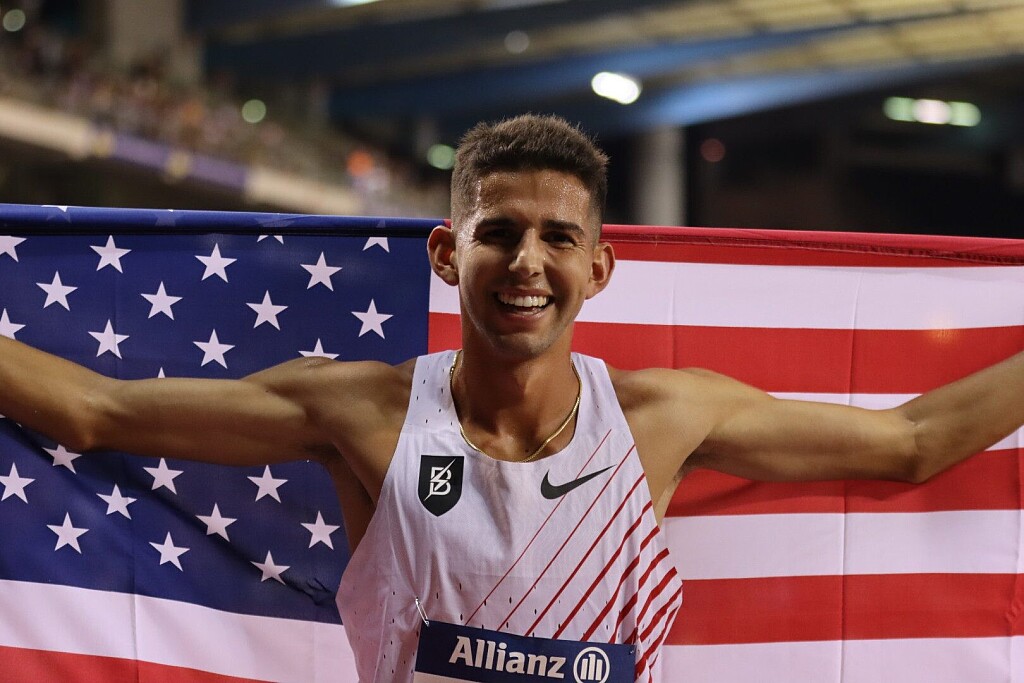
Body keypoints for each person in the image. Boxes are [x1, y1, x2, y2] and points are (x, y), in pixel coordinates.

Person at [1, 113, 1023, 682]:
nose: (527, 261)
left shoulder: (663, 418)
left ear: (598, 267)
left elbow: (912, 439)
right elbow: (101, 412)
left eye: (557, 237)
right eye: (498, 233)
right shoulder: (363, 412)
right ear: (449, 253)